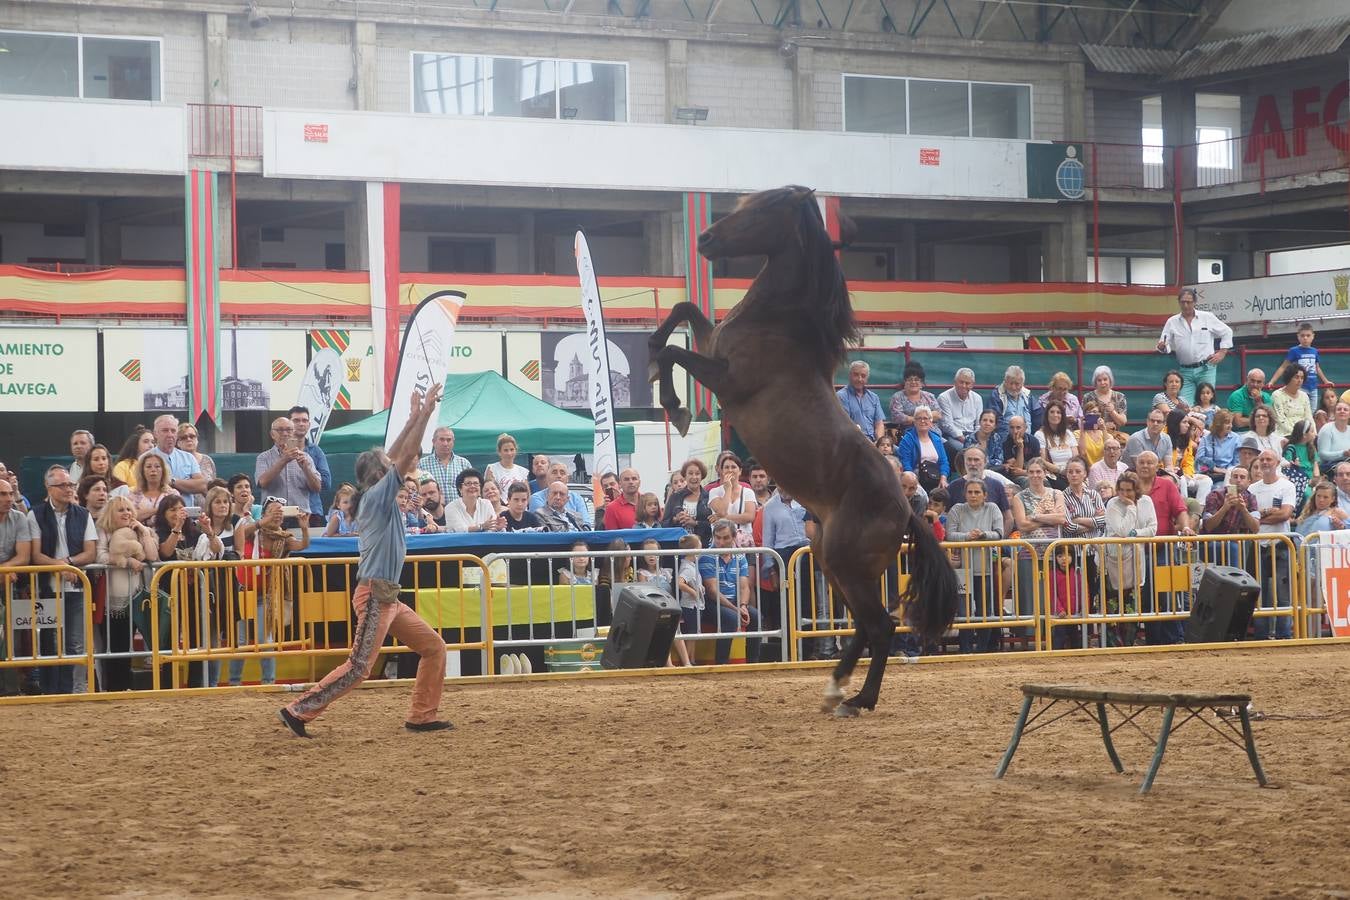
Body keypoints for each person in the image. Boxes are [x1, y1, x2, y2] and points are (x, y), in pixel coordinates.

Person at [279, 382, 451, 737]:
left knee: (433, 648)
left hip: (385, 595)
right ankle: (299, 710)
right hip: (376, 594)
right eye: (387, 467)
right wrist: (426, 413)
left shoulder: (373, 493)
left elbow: (398, 453)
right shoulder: (378, 496)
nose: (397, 468)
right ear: (378, 474)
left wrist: (417, 414)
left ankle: (422, 716)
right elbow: (402, 457)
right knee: (359, 667)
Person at [28, 465, 97, 694]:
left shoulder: (83, 514)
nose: (68, 489)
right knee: (49, 640)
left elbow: (91, 553)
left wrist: (68, 562)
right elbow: (35, 555)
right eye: (63, 485)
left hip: (76, 587)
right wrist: (61, 567)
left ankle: (70, 691)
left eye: (71, 484)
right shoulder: (35, 514)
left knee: (75, 642)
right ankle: (50, 690)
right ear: (49, 488)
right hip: (46, 588)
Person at [93, 495, 161, 693]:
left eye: (129, 509)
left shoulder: (139, 530)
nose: (126, 513)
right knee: (112, 645)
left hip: (136, 596)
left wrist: (143, 532)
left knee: (127, 644)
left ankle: (125, 686)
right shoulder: (103, 531)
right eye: (121, 510)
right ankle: (113, 688)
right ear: (111, 514)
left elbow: (152, 556)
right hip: (111, 598)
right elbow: (100, 555)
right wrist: (126, 560)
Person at [1133, 450, 1192, 645]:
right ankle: (1153, 640)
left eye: (1149, 462)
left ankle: (1174, 639)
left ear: (1157, 465)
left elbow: (1180, 510)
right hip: (1137, 550)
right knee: (1146, 596)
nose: (1145, 466)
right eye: (1141, 462)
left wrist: (1185, 527)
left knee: (1169, 594)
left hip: (1164, 548)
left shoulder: (1167, 485)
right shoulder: (1130, 486)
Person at [944, 477, 1003, 654]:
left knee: (985, 610)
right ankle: (965, 648)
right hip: (963, 569)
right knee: (964, 612)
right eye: (970, 492)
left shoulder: (992, 508)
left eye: (977, 492)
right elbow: (950, 535)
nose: (973, 495)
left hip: (985, 569)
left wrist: (983, 535)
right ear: (964, 494)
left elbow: (1000, 533)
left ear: (985, 495)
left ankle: (983, 648)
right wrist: (967, 537)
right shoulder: (957, 509)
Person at [1103, 472, 1156, 647]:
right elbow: (1121, 530)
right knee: (1112, 605)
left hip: (1137, 560)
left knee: (1133, 604)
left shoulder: (1147, 502)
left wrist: (1136, 534)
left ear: (1137, 490)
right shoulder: (1112, 504)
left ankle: (1129, 643)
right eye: (1121, 490)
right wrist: (1131, 508)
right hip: (1113, 560)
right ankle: (1113, 645)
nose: (1125, 494)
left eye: (1129, 490)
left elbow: (1152, 529)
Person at [1246, 450, 1295, 640]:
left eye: (1269, 459)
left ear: (1277, 462)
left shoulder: (1286, 485)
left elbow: (1284, 514)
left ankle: (1284, 635)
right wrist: (1265, 515)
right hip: (1259, 544)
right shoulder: (1252, 488)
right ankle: (1261, 635)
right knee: (1260, 594)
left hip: (1280, 544)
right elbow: (1247, 517)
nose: (1265, 462)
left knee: (1283, 594)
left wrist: (1260, 517)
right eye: (1262, 460)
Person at [698, 519, 762, 666]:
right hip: (711, 603)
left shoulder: (740, 556)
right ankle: (722, 663)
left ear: (734, 538)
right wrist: (736, 609)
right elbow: (712, 591)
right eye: (718, 537)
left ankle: (753, 663)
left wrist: (743, 606)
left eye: (725, 538)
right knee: (731, 618)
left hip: (733, 601)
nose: (721, 542)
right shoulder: (706, 556)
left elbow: (744, 586)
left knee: (756, 616)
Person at [1156, 286, 1232, 405]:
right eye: (1183, 302)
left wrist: (1222, 352)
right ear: (1179, 302)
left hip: (1206, 367)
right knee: (1186, 405)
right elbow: (1166, 344)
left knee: (1206, 403)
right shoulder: (1172, 321)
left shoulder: (1207, 317)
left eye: (1189, 302)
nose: (1186, 305)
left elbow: (1227, 332)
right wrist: (1163, 347)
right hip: (1185, 371)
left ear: (1195, 302)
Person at [0, 477, 35, 695]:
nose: (8, 499)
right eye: (2, 494)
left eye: (10, 494)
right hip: (6, 577)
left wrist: (3, 570)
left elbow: (23, 556)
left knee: (12, 638)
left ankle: (11, 689)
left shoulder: (19, 517)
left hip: (9, 583)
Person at [255, 417, 320, 521]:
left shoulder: (305, 457)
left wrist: (306, 469)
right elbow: (262, 482)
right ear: (272, 434)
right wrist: (283, 460)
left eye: (289, 430)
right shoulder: (264, 457)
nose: (285, 434)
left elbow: (317, 488)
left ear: (293, 433)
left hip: (300, 517)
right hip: (273, 517)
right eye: (280, 430)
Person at [1199, 464, 1259, 571]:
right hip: (1210, 543)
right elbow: (1208, 526)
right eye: (1235, 477)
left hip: (1235, 546)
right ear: (1230, 480)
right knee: (1229, 547)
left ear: (1249, 481)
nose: (1238, 480)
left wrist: (1243, 509)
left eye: (1242, 477)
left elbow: (1255, 528)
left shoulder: (1251, 498)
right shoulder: (1215, 495)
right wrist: (1225, 507)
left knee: (1233, 547)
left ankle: (1235, 583)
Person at [147, 415, 207, 508]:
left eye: (173, 431)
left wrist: (172, 481)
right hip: (157, 517)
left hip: (187, 516)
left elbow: (202, 485)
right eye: (165, 430)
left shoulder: (188, 457)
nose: (170, 434)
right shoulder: (146, 458)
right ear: (155, 434)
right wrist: (187, 484)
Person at [289, 407, 332, 527]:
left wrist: (307, 472)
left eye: (304, 420)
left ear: (309, 425)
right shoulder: (279, 452)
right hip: (285, 512)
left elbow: (326, 483)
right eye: (296, 420)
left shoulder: (316, 451)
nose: (301, 424)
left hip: (312, 512)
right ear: (289, 423)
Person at [1270, 322, 1331, 403]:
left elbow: (1317, 368)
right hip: (1300, 386)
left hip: (1313, 387)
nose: (1305, 338)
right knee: (1301, 408)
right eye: (1302, 335)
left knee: (1312, 411)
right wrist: (1272, 381)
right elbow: (1283, 367)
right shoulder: (1294, 350)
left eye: (1308, 335)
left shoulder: (1314, 351)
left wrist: (1325, 381)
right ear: (1298, 336)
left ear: (1313, 336)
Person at [937, 367, 982, 464]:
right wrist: (966, 441)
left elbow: (979, 424)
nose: (964, 386)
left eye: (967, 383)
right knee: (966, 451)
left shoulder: (977, 398)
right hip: (952, 436)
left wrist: (975, 438)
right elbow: (947, 425)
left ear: (972, 384)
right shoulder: (944, 398)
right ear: (955, 382)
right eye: (961, 382)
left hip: (972, 435)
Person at [662, 459, 713, 544]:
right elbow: (664, 524)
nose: (694, 477)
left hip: (703, 546)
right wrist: (675, 519)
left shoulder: (708, 497)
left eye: (697, 474)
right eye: (690, 473)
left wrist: (695, 523)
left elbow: (714, 525)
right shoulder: (675, 497)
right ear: (685, 476)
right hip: (678, 546)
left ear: (702, 476)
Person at [898, 406, 949, 491]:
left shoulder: (937, 439)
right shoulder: (907, 440)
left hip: (935, 477)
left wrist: (943, 478)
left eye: (925, 418)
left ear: (930, 421)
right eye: (919, 418)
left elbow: (944, 461)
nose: (922, 421)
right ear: (914, 421)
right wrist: (917, 485)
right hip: (916, 479)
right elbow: (906, 465)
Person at [419, 426, 472, 502]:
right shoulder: (422, 464)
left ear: (453, 442)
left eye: (449, 440)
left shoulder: (464, 464)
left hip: (459, 511)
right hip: (432, 511)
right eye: (442, 439)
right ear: (433, 442)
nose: (445, 443)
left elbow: (471, 489)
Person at [672, 534, 703, 664]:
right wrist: (693, 592)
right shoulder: (687, 567)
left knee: (694, 633)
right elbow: (680, 582)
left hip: (694, 605)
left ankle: (692, 658)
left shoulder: (690, 566)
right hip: (691, 606)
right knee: (692, 633)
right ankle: (691, 659)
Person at [989, 365, 1042, 438]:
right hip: (1005, 439)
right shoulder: (997, 395)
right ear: (1005, 382)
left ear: (1022, 384)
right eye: (1011, 383)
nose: (1013, 387)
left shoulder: (1028, 396)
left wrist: (1032, 437)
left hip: (1028, 439)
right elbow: (996, 420)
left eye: (1017, 384)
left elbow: (1038, 417)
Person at [888, 361, 940, 436]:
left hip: (933, 432)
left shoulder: (929, 396)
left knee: (948, 445)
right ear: (905, 382)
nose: (913, 382)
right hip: (910, 433)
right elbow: (897, 417)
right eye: (910, 379)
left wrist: (915, 419)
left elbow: (938, 414)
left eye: (916, 379)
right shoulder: (897, 397)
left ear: (922, 382)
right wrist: (923, 419)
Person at [837, 360, 885, 440]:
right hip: (854, 441)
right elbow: (845, 425)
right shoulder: (841, 396)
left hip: (874, 442)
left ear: (867, 378)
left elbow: (879, 424)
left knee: (899, 451)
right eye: (856, 375)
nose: (859, 379)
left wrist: (879, 442)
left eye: (863, 376)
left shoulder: (874, 397)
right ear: (850, 375)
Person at [445, 469, 504, 533]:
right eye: (468, 483)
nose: (472, 486)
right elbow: (459, 530)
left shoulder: (486, 504)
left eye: (476, 483)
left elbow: (492, 527)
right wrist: (481, 527)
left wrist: (498, 528)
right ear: (460, 489)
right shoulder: (450, 507)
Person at [127, 452, 178, 525]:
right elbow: (132, 516)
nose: (153, 470)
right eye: (148, 466)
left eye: (157, 466)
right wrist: (161, 509)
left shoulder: (172, 494)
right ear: (142, 471)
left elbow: (177, 515)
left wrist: (145, 513)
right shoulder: (134, 494)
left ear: (163, 470)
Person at [1036, 400, 1077, 490]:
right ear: (1047, 415)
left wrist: (1070, 470)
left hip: (1071, 472)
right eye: (1052, 412)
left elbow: (1076, 457)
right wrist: (1061, 470)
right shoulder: (1040, 434)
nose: (1055, 415)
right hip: (1053, 475)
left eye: (1058, 412)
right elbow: (1042, 460)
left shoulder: (1068, 433)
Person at [1197, 410, 1240, 487]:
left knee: (1220, 487)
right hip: (1208, 474)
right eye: (1227, 423)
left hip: (1227, 475)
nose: (1230, 426)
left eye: (1231, 423)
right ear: (1218, 424)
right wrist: (1214, 468)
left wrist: (1228, 471)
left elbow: (1236, 462)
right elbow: (1199, 460)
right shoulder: (1206, 439)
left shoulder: (1236, 438)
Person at [175, 422, 216, 502]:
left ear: (197, 439)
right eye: (184, 437)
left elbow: (213, 487)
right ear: (178, 442)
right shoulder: (174, 461)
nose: (189, 439)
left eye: (192, 436)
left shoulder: (207, 460)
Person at [1271, 367, 1315, 441]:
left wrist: (1314, 432)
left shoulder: (1304, 396)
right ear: (1289, 378)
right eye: (1296, 377)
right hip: (1285, 435)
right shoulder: (1277, 395)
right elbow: (1280, 419)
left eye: (1302, 378)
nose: (1299, 380)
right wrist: (1298, 434)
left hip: (1304, 434)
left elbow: (1309, 417)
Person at [998, 415, 1040, 486]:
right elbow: (1016, 470)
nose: (1015, 431)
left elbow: (1038, 464)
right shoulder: (1005, 443)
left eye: (1018, 428)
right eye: (1012, 427)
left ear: (1025, 428)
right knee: (1026, 481)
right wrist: (1020, 448)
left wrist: (1025, 472)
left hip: (1030, 472)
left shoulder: (1033, 441)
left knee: (1044, 480)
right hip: (1013, 477)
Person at [1083, 365, 1128, 431]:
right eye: (1099, 380)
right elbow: (1083, 422)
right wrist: (1103, 426)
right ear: (1095, 382)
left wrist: (1113, 412)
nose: (1102, 383)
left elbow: (1123, 422)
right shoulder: (1087, 397)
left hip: (1114, 437)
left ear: (1110, 380)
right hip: (1093, 437)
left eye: (1105, 379)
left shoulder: (1119, 397)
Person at [1317, 401, 1350, 469]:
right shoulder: (1327, 429)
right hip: (1331, 466)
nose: (1342, 411)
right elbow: (1322, 454)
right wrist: (1343, 453)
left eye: (1345, 409)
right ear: (1334, 414)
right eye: (1339, 409)